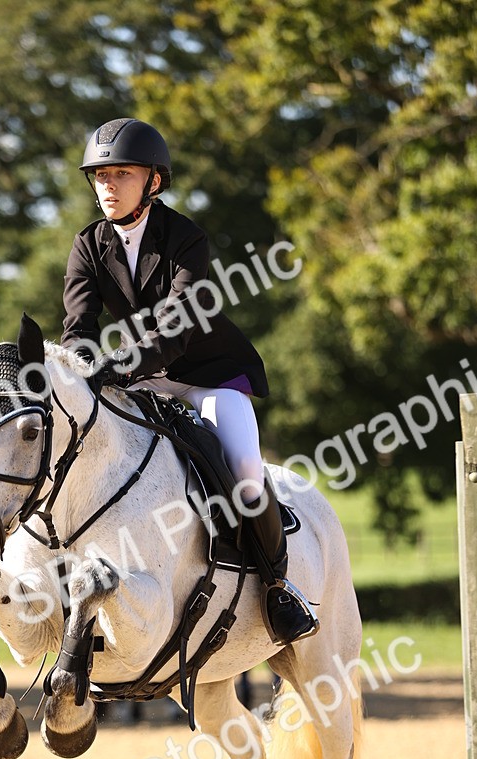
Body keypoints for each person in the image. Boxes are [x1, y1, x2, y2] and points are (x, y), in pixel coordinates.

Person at [61, 117, 319, 645]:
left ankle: (277, 587)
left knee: (246, 467)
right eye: (100, 176)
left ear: (153, 181)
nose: (107, 186)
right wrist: (83, 368)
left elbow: (176, 325)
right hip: (145, 380)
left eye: (121, 174)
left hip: (209, 378)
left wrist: (121, 363)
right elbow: (77, 328)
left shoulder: (185, 239)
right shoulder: (88, 245)